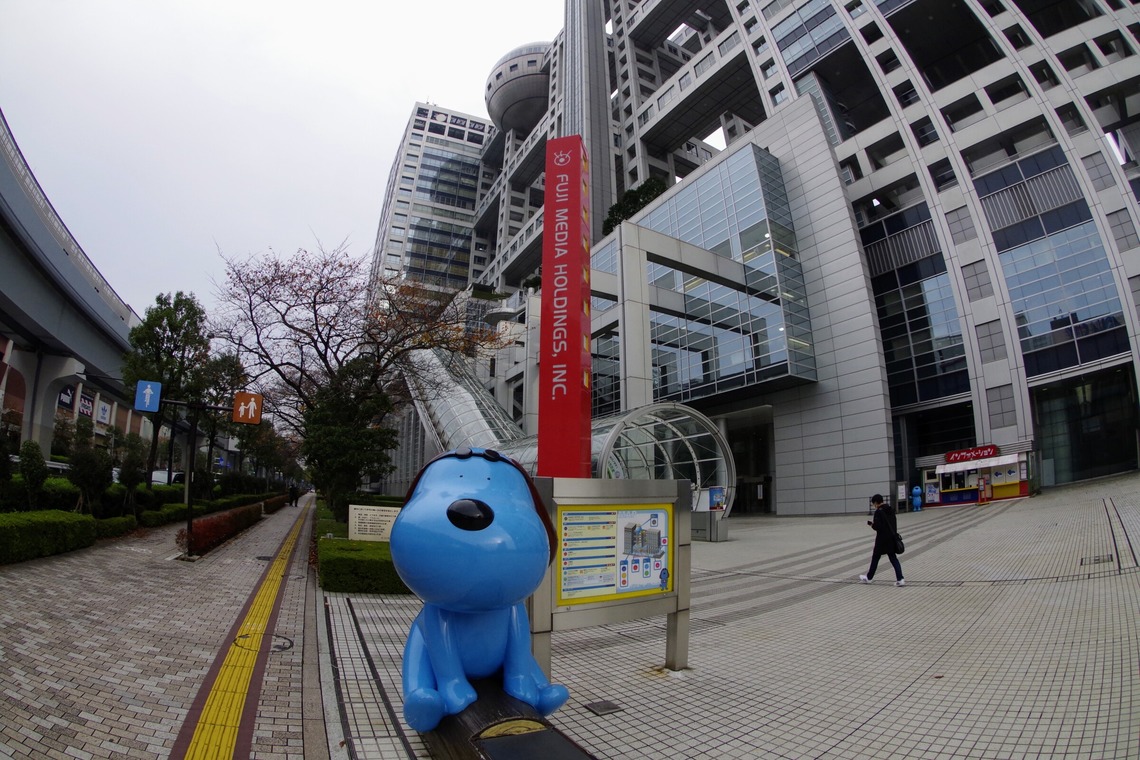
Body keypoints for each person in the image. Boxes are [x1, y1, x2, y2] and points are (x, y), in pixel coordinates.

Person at [859, 493, 904, 586]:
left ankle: (869, 578)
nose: (874, 506)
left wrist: (872, 525)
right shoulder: (890, 509)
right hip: (891, 538)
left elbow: (878, 527)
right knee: (893, 558)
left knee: (875, 557)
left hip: (882, 540)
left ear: (876, 503)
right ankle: (900, 579)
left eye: (873, 504)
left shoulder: (878, 512)